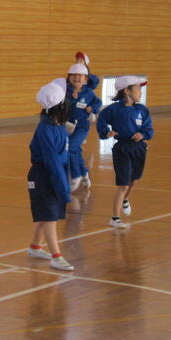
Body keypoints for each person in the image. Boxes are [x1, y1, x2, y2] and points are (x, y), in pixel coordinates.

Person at [26, 78, 75, 271]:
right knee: (50, 217)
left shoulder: (56, 126)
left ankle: (35, 247)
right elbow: (52, 161)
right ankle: (57, 256)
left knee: (47, 214)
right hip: (43, 176)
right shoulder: (46, 129)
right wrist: (63, 187)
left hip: (54, 173)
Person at [96, 75, 153, 229]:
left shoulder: (142, 110)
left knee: (135, 180)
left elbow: (149, 129)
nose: (140, 92)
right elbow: (101, 120)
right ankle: (115, 218)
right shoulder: (113, 110)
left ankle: (126, 199)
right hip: (122, 149)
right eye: (138, 88)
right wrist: (105, 132)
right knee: (123, 184)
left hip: (139, 148)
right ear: (127, 91)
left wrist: (143, 134)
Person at [65, 63, 101, 191]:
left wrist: (92, 109)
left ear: (85, 79)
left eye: (80, 75)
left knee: (71, 148)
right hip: (68, 127)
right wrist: (72, 99)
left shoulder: (89, 93)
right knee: (76, 150)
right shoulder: (65, 91)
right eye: (73, 75)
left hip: (82, 127)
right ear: (69, 77)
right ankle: (84, 173)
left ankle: (76, 176)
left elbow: (98, 102)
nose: (76, 78)